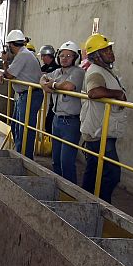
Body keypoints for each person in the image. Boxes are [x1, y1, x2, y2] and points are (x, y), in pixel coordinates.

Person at [79, 33, 128, 203]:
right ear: (96, 56)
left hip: (102, 130)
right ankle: (102, 205)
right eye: (106, 50)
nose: (111, 52)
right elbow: (94, 92)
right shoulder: (96, 72)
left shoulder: (106, 70)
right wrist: (117, 94)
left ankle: (87, 204)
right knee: (112, 173)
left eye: (110, 49)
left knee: (93, 171)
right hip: (99, 133)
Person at [40, 41, 85, 184]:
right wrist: (45, 84)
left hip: (70, 122)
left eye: (69, 56)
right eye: (62, 55)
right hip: (57, 120)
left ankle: (71, 194)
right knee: (56, 161)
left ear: (75, 58)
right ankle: (59, 190)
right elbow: (43, 78)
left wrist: (53, 85)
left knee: (67, 162)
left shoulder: (78, 72)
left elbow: (69, 86)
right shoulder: (57, 72)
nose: (64, 58)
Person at [0, 29, 43, 159]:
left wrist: (4, 63)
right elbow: (10, 72)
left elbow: (10, 74)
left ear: (11, 45)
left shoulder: (23, 55)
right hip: (25, 95)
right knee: (16, 125)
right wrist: (4, 71)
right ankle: (20, 153)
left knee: (25, 129)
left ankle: (25, 158)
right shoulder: (23, 54)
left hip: (30, 95)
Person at [39, 44, 60, 135]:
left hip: (57, 102)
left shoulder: (56, 66)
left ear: (47, 56)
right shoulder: (45, 67)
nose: (42, 58)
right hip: (53, 101)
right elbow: (39, 74)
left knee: (50, 124)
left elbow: (47, 76)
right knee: (48, 124)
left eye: (43, 56)